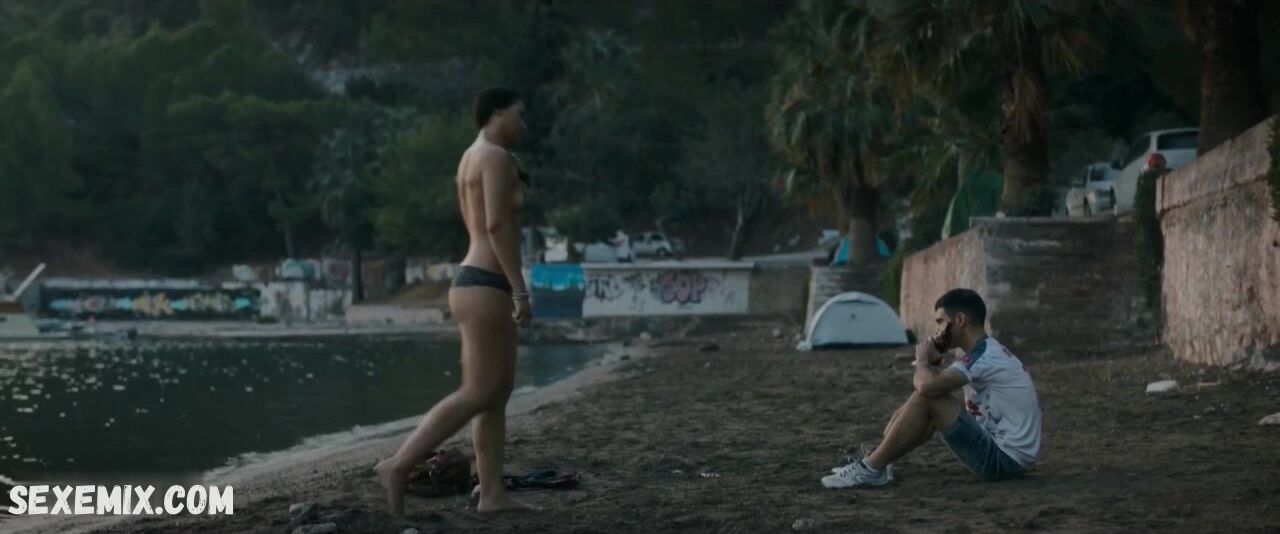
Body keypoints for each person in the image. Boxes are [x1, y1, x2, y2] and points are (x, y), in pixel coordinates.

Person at [375, 87, 535, 515]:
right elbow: (497, 225)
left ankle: (492, 494)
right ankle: (399, 465)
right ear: (496, 112)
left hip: (477, 280)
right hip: (486, 281)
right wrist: (519, 287)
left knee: (496, 393)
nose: (524, 123)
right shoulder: (494, 157)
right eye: (519, 114)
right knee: (478, 391)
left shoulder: (471, 157)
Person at [821, 288, 1042, 488]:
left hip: (1004, 462)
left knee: (928, 396)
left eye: (940, 322)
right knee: (927, 398)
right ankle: (878, 462)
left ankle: (871, 468)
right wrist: (932, 367)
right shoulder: (983, 352)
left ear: (960, 320)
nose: (937, 330)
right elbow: (931, 391)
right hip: (1005, 455)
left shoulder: (983, 356)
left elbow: (927, 387)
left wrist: (923, 362)